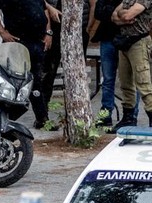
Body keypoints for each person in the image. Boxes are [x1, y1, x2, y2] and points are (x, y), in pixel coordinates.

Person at [0, 0, 54, 129]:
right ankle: (3, 119)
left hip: (38, 41)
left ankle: (42, 118)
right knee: (12, 81)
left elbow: (44, 10)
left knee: (37, 81)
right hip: (16, 41)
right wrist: (2, 32)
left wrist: (48, 32)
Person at [40, 0, 95, 123]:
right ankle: (43, 115)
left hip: (78, 29)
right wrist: (49, 8)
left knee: (76, 73)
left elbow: (93, 4)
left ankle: (77, 114)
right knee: (48, 73)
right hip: (54, 29)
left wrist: (87, 28)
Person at [92, 0, 140, 130]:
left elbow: (135, 16)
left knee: (131, 80)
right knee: (107, 79)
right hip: (108, 38)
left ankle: (131, 115)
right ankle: (106, 113)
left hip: (129, 39)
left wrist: (115, 14)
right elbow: (98, 12)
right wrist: (118, 14)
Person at [111, 0, 152, 128]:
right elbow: (114, 16)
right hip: (125, 42)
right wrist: (123, 15)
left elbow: (127, 16)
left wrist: (123, 15)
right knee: (125, 82)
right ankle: (128, 117)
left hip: (140, 42)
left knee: (143, 82)